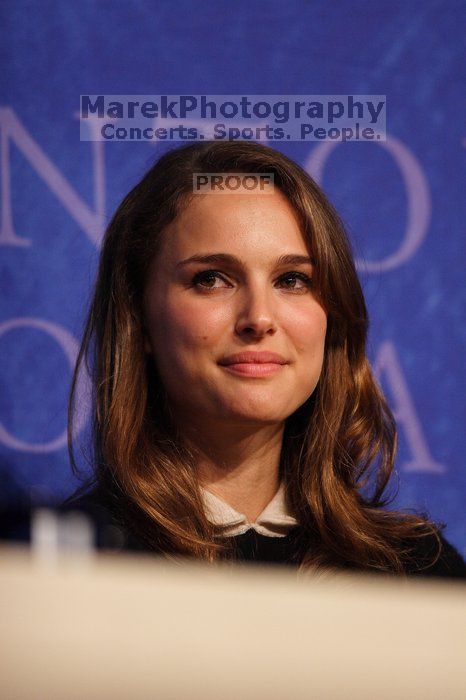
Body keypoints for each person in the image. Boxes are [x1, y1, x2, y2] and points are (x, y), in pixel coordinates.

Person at [62, 140, 465, 579]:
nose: (259, 318)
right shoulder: (67, 567)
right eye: (211, 279)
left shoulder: (421, 573)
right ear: (138, 319)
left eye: (292, 279)